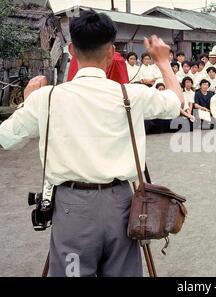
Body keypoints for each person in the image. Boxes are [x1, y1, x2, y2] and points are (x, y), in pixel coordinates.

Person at [0, 10, 183, 277]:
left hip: (72, 207)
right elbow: (176, 104)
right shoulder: (130, 94)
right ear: (111, 52)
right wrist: (164, 63)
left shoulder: (47, 98)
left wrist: (29, 99)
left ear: (72, 49)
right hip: (121, 203)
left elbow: (6, 138)